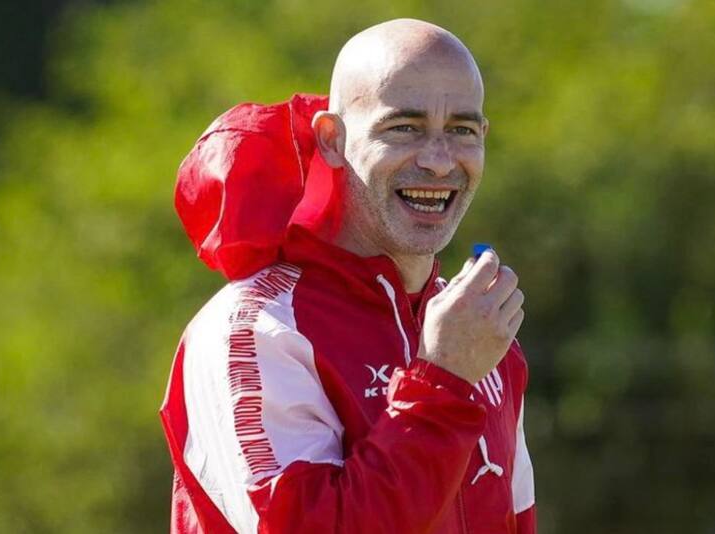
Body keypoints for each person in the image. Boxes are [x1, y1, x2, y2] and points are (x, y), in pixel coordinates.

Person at [160, 18, 536, 534]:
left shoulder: (480, 334)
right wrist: (442, 382)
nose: (439, 161)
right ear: (332, 140)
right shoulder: (255, 330)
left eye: (461, 131)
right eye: (404, 127)